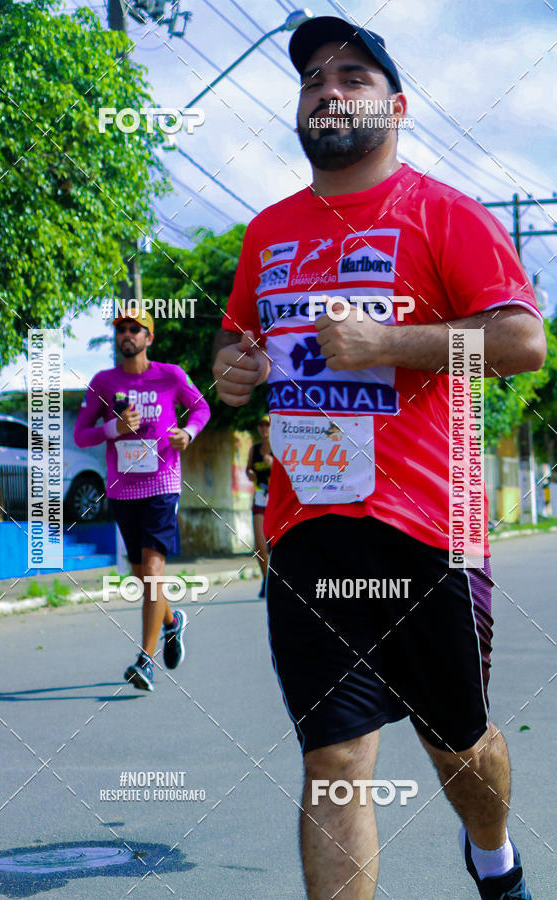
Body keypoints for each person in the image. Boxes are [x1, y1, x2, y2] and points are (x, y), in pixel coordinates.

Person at [212, 15, 546, 900]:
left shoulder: (445, 214)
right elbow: (238, 341)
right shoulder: (267, 233)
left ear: (395, 108)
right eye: (313, 79)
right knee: (334, 760)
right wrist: (233, 367)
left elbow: (520, 343)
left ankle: (493, 855)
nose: (328, 90)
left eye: (353, 77)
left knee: (456, 744)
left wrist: (389, 343)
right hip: (308, 530)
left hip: (430, 527)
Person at [75, 307, 210, 691]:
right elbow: (81, 435)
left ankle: (144, 661)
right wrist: (113, 428)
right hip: (122, 489)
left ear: (149, 338)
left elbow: (201, 407)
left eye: (135, 329)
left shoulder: (171, 375)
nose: (127, 335)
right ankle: (172, 622)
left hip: (162, 485)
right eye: (121, 329)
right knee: (141, 574)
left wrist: (188, 432)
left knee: (152, 571)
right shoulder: (103, 382)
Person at [246, 414, 273, 596]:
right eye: (261, 425)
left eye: (267, 425)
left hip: (276, 500)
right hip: (259, 499)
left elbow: (289, 469)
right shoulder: (254, 449)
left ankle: (278, 581)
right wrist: (250, 473)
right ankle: (266, 580)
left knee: (276, 545)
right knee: (260, 546)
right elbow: (248, 468)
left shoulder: (279, 447)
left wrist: (274, 464)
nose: (264, 428)